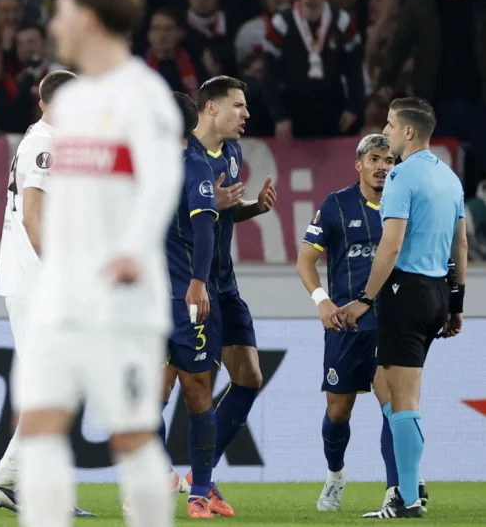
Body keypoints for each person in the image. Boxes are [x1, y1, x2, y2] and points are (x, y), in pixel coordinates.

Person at [13, 0, 180, 527]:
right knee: (37, 424)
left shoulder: (144, 95)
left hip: (122, 298)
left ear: (87, 18)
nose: (53, 25)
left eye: (60, 13)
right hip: (61, 295)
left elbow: (161, 182)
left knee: (131, 436)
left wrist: (132, 247)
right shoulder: (72, 105)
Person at [335, 97, 467, 518]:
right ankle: (412, 480)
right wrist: (456, 303)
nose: (386, 132)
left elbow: (390, 246)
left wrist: (364, 299)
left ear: (409, 132)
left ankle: (407, 497)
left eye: (390, 125)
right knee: (383, 383)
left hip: (404, 292)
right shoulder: (450, 177)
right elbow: (461, 244)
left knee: (405, 397)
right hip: (437, 292)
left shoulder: (400, 176)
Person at [0, 68, 97, 517]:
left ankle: (18, 482)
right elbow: (33, 216)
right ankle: (14, 482)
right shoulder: (46, 145)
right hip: (37, 283)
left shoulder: (43, 140)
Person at [183, 76, 278, 513]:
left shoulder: (233, 153)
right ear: (210, 107)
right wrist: (213, 204)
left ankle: (200, 475)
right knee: (188, 385)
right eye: (238, 105)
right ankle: (170, 480)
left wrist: (252, 208)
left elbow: (219, 215)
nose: (246, 114)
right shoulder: (186, 156)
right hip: (190, 283)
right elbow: (178, 219)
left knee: (250, 378)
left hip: (225, 281)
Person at [296, 134, 397, 512]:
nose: (382, 166)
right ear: (359, 165)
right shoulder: (335, 205)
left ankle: (397, 489)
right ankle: (335, 475)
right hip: (346, 325)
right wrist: (322, 302)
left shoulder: (403, 205)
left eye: (388, 160)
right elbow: (305, 261)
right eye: (374, 159)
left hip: (391, 322)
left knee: (394, 407)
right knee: (338, 412)